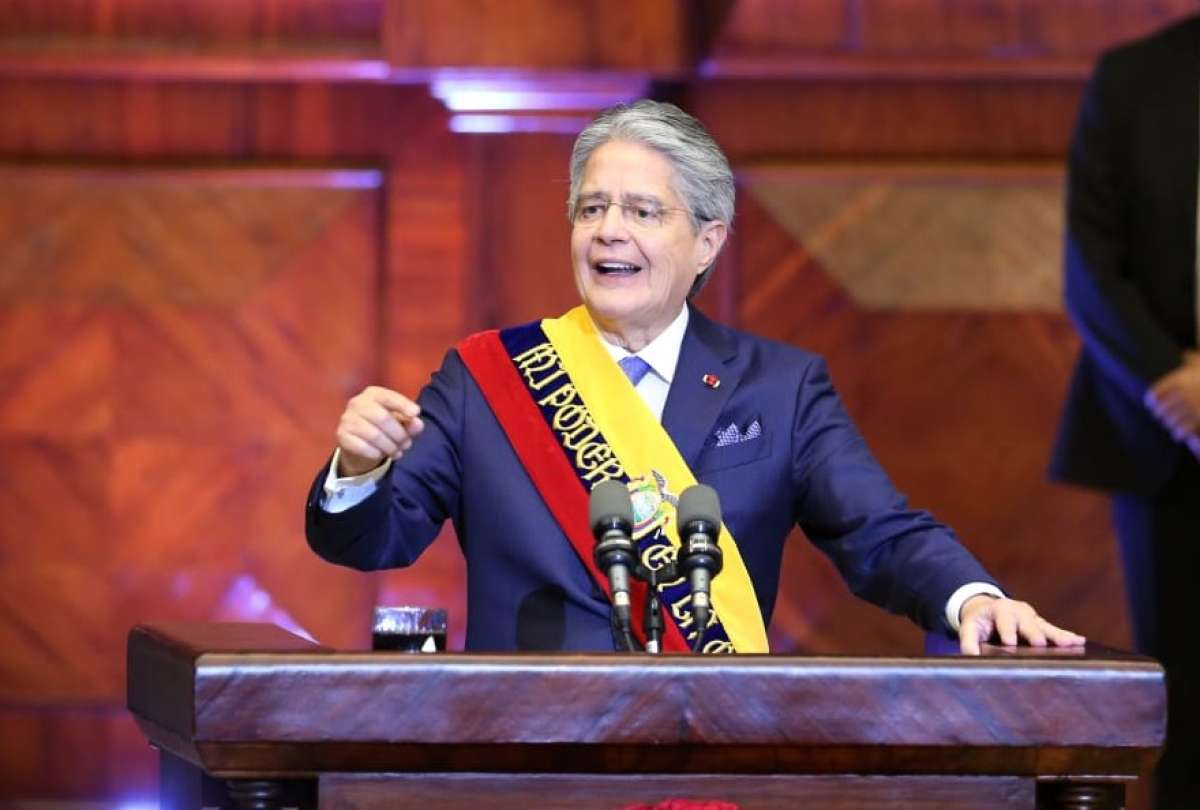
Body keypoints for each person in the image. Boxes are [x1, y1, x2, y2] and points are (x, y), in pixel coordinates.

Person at [307, 99, 1084, 656]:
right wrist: (359, 469)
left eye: (643, 212)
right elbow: (373, 542)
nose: (609, 231)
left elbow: (878, 531)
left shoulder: (780, 388)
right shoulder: (489, 377)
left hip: (707, 746)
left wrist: (972, 598)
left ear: (707, 243)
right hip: (524, 757)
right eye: (592, 209)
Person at [1049, 15, 1200, 808]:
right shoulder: (1134, 77)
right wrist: (1173, 381)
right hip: (1165, 434)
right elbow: (1091, 265)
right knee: (1183, 704)